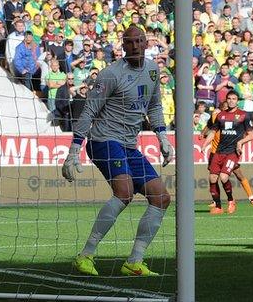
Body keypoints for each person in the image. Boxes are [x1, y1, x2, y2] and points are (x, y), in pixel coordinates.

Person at [62, 26, 174, 277]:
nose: (134, 46)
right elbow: (88, 111)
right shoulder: (111, 74)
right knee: (124, 193)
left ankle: (134, 261)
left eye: (139, 41)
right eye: (129, 42)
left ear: (147, 43)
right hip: (104, 140)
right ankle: (85, 256)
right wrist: (74, 150)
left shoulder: (154, 71)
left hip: (129, 145)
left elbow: (154, 106)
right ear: (123, 46)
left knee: (161, 198)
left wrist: (162, 137)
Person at [201, 91, 253, 214]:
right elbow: (213, 132)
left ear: (237, 101)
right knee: (212, 178)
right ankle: (218, 206)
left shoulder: (243, 115)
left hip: (233, 152)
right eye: (229, 98)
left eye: (234, 98)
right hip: (219, 151)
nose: (231, 101)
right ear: (226, 100)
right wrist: (205, 144)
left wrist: (240, 142)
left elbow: (251, 135)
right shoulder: (220, 116)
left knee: (224, 177)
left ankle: (231, 201)